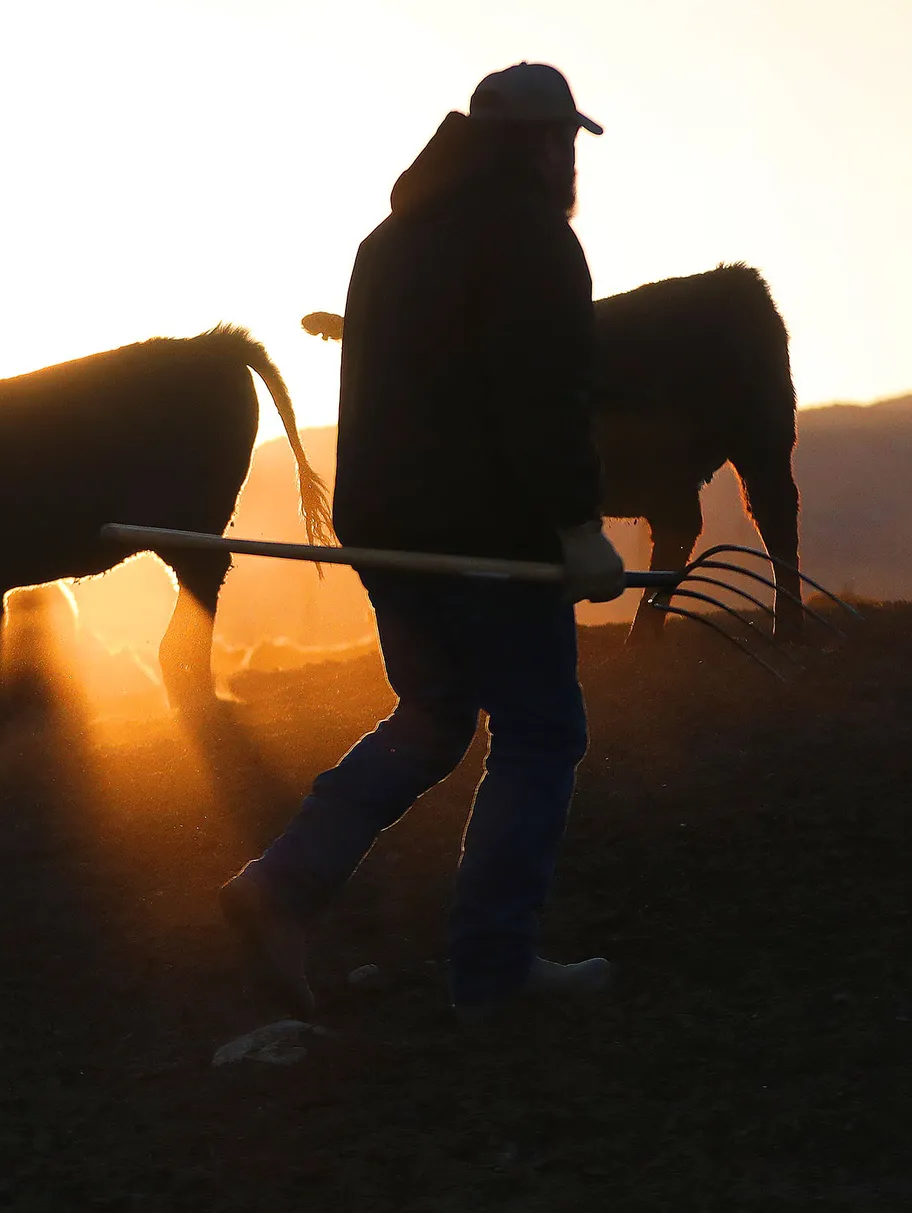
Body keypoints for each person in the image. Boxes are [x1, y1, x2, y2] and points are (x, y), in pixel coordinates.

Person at [220, 63, 627, 1019]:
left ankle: (282, 883)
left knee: (436, 714)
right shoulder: (533, 239)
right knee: (541, 730)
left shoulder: (391, 240)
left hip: (389, 530)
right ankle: (493, 968)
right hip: (487, 537)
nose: (570, 160)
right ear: (542, 143)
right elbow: (545, 399)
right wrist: (579, 528)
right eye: (565, 140)